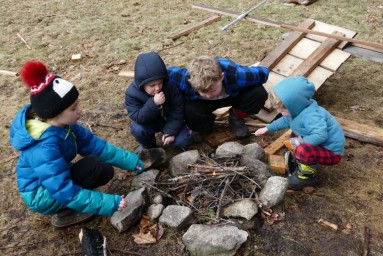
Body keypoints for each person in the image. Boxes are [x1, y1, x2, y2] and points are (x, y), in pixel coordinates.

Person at [10, 61, 144, 228]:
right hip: (41, 194)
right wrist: (110, 203)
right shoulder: (44, 148)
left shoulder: (64, 126)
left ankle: (75, 204)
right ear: (54, 114)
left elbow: (95, 145)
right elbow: (63, 190)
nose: (80, 111)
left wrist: (132, 162)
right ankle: (64, 214)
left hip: (54, 180)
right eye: (73, 109)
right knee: (93, 166)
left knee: (103, 169)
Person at [254, 76, 345, 190]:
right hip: (317, 142)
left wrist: (300, 143)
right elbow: (286, 120)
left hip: (331, 151)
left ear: (295, 105)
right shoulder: (299, 109)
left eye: (282, 110)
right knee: (295, 136)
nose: (279, 112)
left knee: (303, 149)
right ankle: (298, 159)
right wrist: (269, 128)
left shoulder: (312, 116)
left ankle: (306, 177)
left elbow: (320, 135)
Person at [167, 55, 269, 139]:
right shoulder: (184, 79)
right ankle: (205, 126)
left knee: (258, 93)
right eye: (202, 91)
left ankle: (236, 117)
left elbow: (264, 72)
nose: (208, 95)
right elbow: (163, 73)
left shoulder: (237, 74)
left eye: (212, 90)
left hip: (232, 96)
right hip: (200, 103)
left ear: (222, 76)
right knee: (188, 109)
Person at [125, 52, 191, 151]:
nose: (157, 88)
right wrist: (153, 104)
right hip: (149, 122)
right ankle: (149, 147)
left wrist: (170, 132)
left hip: (169, 119)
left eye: (160, 83)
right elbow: (137, 116)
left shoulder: (169, 86)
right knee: (137, 129)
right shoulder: (132, 93)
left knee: (182, 141)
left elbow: (178, 109)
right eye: (152, 85)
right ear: (141, 84)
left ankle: (172, 138)